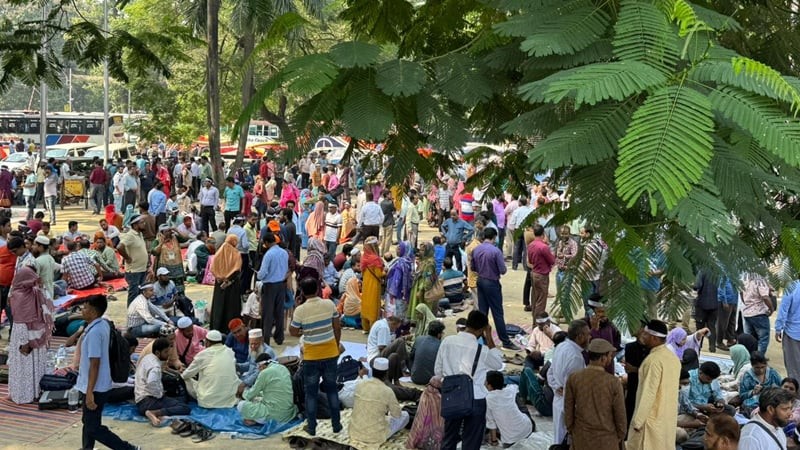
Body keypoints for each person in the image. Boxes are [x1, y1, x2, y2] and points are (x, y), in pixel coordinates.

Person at [76, 295, 139, 450]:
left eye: (85, 308)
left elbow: (95, 364)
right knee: (89, 421)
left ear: (93, 311)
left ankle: (127, 448)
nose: (82, 310)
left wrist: (89, 392)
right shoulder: (103, 324)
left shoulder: (95, 332)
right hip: (98, 383)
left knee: (93, 427)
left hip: (95, 386)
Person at [434, 310, 503, 450]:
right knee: (471, 442)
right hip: (475, 399)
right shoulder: (482, 350)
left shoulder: (447, 341)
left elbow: (437, 371)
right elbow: (498, 364)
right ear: (482, 330)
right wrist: (489, 337)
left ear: (467, 323)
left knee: (449, 439)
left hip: (452, 396)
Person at [289, 276, 342, 436]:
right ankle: (336, 425)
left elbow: (293, 331)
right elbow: (337, 327)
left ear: (302, 292)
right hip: (330, 353)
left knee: (310, 394)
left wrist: (298, 310)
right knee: (331, 390)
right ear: (318, 289)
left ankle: (311, 427)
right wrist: (335, 345)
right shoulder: (329, 304)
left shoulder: (300, 310)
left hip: (311, 357)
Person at [627, 319, 681, 450]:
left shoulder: (653, 361)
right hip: (667, 419)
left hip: (650, 420)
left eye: (645, 334)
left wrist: (638, 421)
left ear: (654, 338)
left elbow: (649, 393)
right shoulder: (673, 358)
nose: (642, 336)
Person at [563, 338, 626, 450]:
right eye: (610, 356)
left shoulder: (574, 378)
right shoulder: (613, 382)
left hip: (581, 437)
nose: (611, 359)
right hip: (606, 439)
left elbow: (568, 408)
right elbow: (620, 413)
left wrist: (571, 429)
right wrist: (620, 435)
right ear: (603, 358)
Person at [8, 266, 54, 404]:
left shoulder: (18, 292)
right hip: (26, 330)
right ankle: (30, 392)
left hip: (25, 330)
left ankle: (25, 392)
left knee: (24, 361)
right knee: (27, 359)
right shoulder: (27, 293)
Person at [471, 227, 518, 350]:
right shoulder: (496, 251)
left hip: (480, 280)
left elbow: (473, 267)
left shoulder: (476, 249)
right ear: (494, 237)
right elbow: (503, 270)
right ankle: (505, 341)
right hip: (492, 282)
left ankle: (481, 338)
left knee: (483, 312)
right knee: (497, 313)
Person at [348, 357, 410, 446]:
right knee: (405, 415)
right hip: (375, 436)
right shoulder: (387, 391)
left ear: (373, 371)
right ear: (386, 374)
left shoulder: (360, 384)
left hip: (354, 432)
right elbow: (397, 415)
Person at [548, 319, 590, 445]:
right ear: (580, 337)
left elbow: (550, 373)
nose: (590, 337)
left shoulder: (561, 346)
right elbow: (572, 388)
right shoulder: (576, 357)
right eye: (588, 334)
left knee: (559, 438)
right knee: (566, 441)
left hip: (558, 400)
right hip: (567, 406)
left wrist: (556, 387)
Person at [135, 337, 191, 426]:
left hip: (140, 399)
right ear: (157, 353)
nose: (168, 354)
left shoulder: (147, 358)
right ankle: (155, 413)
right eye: (166, 352)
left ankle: (154, 410)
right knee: (184, 407)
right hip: (147, 402)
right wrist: (160, 394)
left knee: (177, 399)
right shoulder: (155, 367)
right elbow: (151, 383)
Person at [181, 329, 239, 408]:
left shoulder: (203, 354)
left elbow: (186, 375)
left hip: (208, 401)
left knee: (185, 379)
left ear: (207, 342)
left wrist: (180, 373)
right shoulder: (230, 352)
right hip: (229, 399)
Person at [237, 353, 298, 426]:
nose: (259, 370)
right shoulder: (283, 368)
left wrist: (242, 394)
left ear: (262, 366)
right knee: (258, 399)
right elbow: (273, 390)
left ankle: (256, 420)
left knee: (241, 405)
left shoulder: (265, 373)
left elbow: (251, 394)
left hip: (274, 415)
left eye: (259, 368)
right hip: (288, 414)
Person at [485, 370, 533, 447]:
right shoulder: (510, 389)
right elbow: (515, 386)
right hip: (527, 429)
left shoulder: (487, 399)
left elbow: (491, 423)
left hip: (510, 440)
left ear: (489, 385)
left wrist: (494, 441)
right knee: (515, 400)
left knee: (492, 417)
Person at [258, 231, 289, 345]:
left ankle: (266, 339)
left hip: (270, 285)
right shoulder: (284, 252)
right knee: (279, 312)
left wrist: (258, 275)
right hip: (281, 284)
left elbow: (263, 272)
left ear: (266, 242)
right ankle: (279, 337)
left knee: (267, 313)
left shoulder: (269, 254)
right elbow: (286, 268)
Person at [209, 234, 243, 333]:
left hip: (219, 283)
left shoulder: (219, 252)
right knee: (231, 306)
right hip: (232, 284)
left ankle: (217, 325)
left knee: (219, 304)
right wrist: (228, 279)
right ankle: (230, 327)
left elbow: (213, 268)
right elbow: (236, 270)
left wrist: (220, 277)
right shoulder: (236, 253)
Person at [366, 316, 410, 384]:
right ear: (393, 323)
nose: (395, 330)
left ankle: (401, 372)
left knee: (395, 354)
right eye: (395, 328)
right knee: (400, 341)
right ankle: (403, 369)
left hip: (373, 357)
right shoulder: (384, 327)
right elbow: (381, 347)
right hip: (375, 360)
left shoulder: (379, 322)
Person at [118, 214, 149, 306]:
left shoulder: (140, 234)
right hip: (134, 271)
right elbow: (119, 247)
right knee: (133, 294)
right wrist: (127, 258)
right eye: (141, 222)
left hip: (142, 269)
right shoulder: (130, 235)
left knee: (140, 293)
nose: (144, 224)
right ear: (135, 225)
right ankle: (131, 312)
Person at [624, 325, 651, 427]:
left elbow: (650, 371)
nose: (644, 336)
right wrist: (639, 370)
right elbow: (628, 368)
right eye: (643, 333)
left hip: (646, 387)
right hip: (633, 385)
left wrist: (636, 369)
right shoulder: (630, 347)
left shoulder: (652, 350)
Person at [742, 272, 774, 355]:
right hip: (759, 314)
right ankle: (758, 359)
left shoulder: (744, 279)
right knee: (763, 339)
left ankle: (748, 358)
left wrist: (748, 304)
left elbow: (741, 294)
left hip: (747, 313)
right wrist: (771, 309)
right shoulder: (760, 280)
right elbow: (765, 297)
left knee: (749, 339)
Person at [527, 224, 555, 317]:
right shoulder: (544, 247)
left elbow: (530, 260)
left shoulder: (530, 245)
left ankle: (534, 320)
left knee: (535, 297)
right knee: (541, 300)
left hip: (534, 273)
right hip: (542, 274)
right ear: (543, 234)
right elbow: (552, 260)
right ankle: (539, 320)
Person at [776, 281, 800, 381]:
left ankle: (796, 389)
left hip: (793, 333)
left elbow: (784, 309)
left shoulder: (792, 286)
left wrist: (778, 328)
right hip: (794, 331)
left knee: (794, 367)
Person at [360, 236, 384, 332]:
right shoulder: (375, 259)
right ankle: (373, 328)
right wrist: (385, 272)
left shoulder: (364, 257)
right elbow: (379, 274)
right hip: (374, 285)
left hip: (366, 284)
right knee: (373, 305)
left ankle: (365, 327)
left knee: (365, 305)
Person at [410, 320, 444, 385]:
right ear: (439, 334)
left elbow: (411, 357)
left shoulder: (419, 339)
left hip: (415, 377)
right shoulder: (441, 345)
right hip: (431, 380)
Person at [386, 241, 414, 319]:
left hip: (398, 292)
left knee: (397, 313)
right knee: (404, 311)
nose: (396, 250)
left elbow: (396, 280)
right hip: (406, 292)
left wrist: (392, 293)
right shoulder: (410, 261)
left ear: (404, 250)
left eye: (399, 249)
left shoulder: (400, 263)